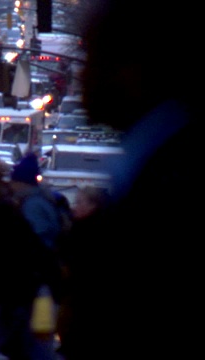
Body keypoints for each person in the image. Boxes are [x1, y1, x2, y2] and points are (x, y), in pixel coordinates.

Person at [67, 2, 201, 358]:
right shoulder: (154, 167)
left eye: (91, 57)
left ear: (130, 70)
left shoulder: (172, 189)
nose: (81, 77)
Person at [0, 157, 61, 360]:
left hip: (10, 292)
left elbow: (23, 253)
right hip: (23, 289)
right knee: (30, 348)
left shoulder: (14, 217)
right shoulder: (17, 213)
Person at [8, 153, 65, 359]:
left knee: (37, 337)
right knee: (38, 336)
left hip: (40, 279)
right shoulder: (41, 201)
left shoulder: (32, 206)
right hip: (45, 278)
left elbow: (34, 243)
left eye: (14, 181)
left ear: (21, 182)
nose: (11, 186)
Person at [55, 186, 111, 360]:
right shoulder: (87, 227)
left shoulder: (86, 230)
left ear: (92, 206)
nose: (75, 206)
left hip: (82, 293)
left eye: (79, 202)